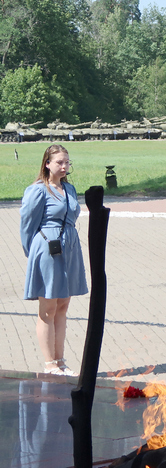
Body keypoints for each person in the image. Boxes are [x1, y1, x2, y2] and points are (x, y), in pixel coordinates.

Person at [20, 144, 88, 376]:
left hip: (69, 249)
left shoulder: (69, 189)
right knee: (48, 307)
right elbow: (27, 225)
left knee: (63, 305)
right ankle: (49, 364)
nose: (64, 166)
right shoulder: (38, 190)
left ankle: (60, 361)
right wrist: (33, 253)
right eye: (59, 162)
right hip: (47, 249)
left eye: (67, 162)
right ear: (47, 164)